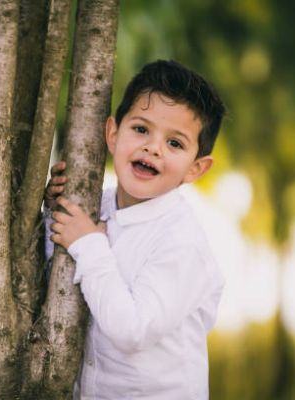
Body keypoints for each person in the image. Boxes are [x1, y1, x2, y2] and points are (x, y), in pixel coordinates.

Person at [45, 60, 226, 399]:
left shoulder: (182, 243)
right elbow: (53, 269)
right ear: (113, 134)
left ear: (195, 168)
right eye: (141, 129)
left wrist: (88, 242)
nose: (153, 148)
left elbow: (133, 329)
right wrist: (53, 211)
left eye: (175, 144)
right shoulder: (95, 207)